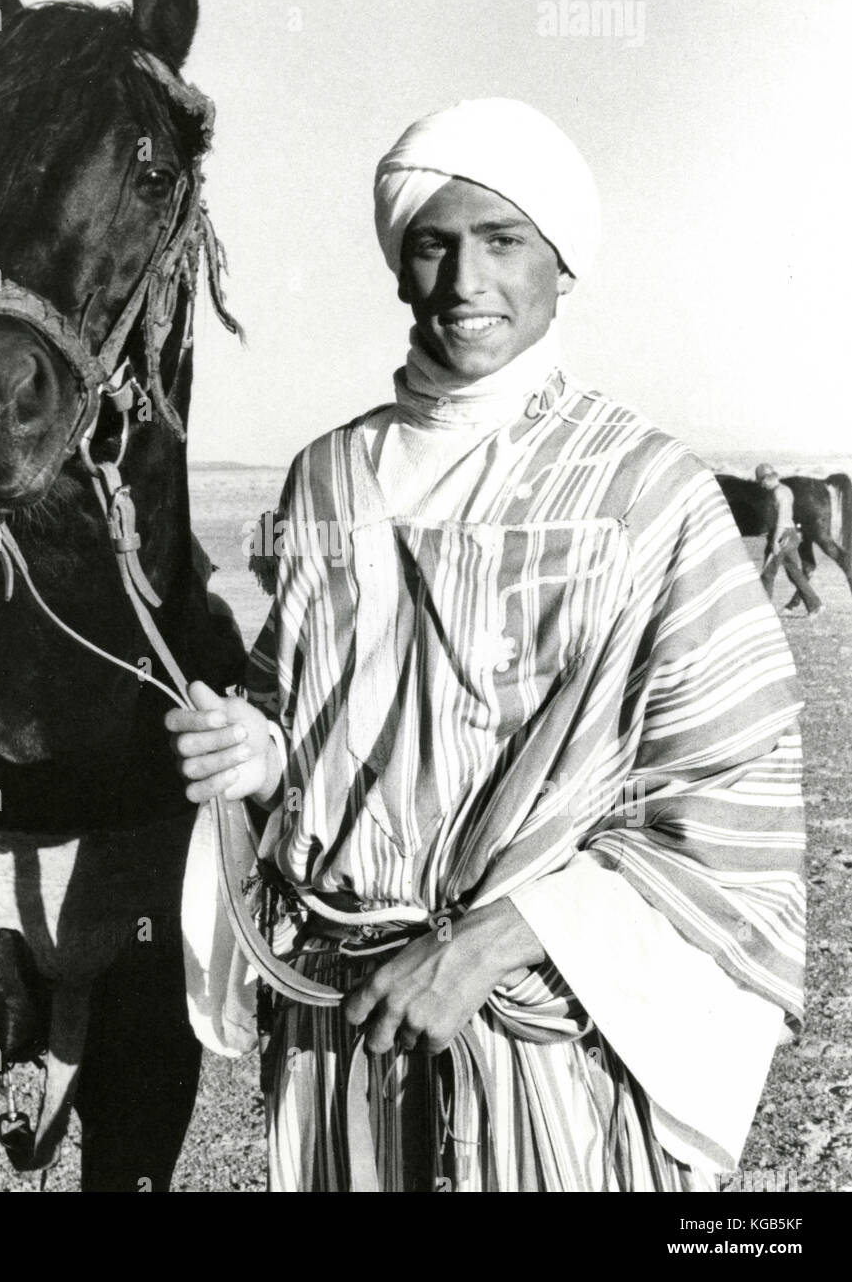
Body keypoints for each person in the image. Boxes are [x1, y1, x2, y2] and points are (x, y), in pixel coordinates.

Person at [165, 99, 806, 1192]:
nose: (465, 279)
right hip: (341, 1032)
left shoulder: (646, 494)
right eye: (434, 242)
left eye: (503, 241)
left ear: (563, 262)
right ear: (400, 268)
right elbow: (300, 699)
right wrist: (260, 750)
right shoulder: (330, 476)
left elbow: (727, 803)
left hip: (539, 1040)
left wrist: (493, 940)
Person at [754, 461, 823, 617]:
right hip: (790, 534)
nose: (761, 486)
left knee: (768, 574)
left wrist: (775, 542)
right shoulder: (785, 490)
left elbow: (781, 520)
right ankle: (815, 605)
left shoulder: (779, 493)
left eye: (761, 482)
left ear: (766, 479)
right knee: (795, 573)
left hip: (782, 536)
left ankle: (763, 613)